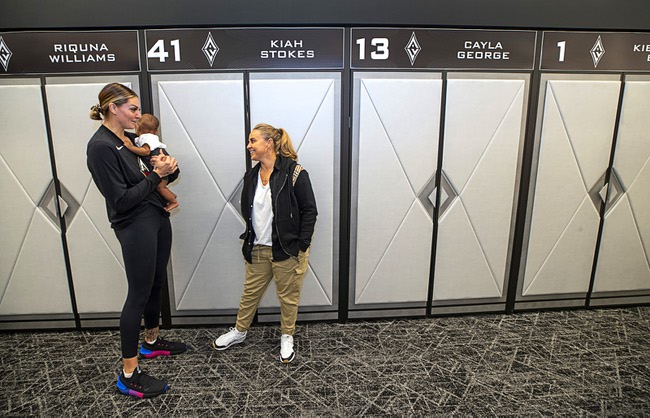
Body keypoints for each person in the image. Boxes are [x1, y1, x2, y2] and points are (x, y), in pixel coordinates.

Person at [86, 83, 187, 399]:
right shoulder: (100, 147)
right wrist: (157, 177)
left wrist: (168, 168)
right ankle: (128, 375)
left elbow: (165, 171)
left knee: (156, 282)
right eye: (133, 109)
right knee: (138, 294)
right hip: (134, 223)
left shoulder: (128, 140)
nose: (138, 115)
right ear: (112, 108)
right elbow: (121, 200)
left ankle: (152, 343)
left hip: (156, 216)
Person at [212, 123, 317, 363]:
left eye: (253, 141)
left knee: (288, 296)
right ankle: (239, 331)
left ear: (269, 143)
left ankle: (287, 336)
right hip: (258, 247)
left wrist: (302, 244)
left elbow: (309, 211)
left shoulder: (295, 172)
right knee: (250, 293)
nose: (248, 146)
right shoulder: (251, 176)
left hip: (287, 249)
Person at [121, 113, 179, 211]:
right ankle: (171, 195)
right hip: (161, 165)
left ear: (138, 127)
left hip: (161, 167)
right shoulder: (151, 137)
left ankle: (173, 202)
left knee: (160, 187)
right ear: (156, 131)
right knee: (160, 187)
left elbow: (145, 151)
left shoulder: (146, 137)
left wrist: (130, 147)